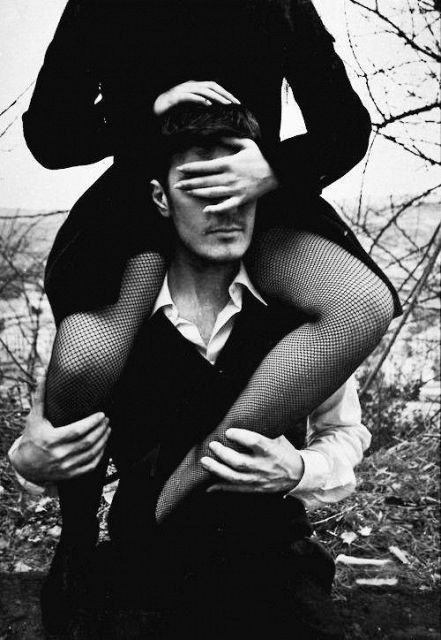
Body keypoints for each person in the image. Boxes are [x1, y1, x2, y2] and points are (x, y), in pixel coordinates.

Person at [22, 0, 400, 531]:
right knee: (89, 358)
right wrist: (144, 111)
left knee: (363, 304)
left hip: (256, 191)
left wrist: (271, 168)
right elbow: (49, 135)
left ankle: (199, 472)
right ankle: (78, 532)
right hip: (140, 198)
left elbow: (345, 125)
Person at [11, 104, 372, 638]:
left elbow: (343, 433)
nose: (224, 207)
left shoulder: (304, 319)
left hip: (270, 565)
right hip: (141, 571)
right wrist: (28, 461)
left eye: (237, 186)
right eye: (200, 187)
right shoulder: (110, 325)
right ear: (161, 198)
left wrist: (299, 470)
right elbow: (44, 443)